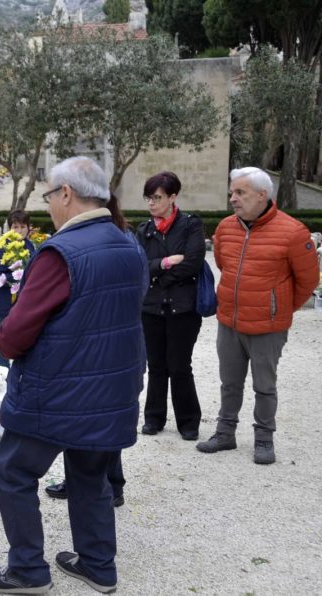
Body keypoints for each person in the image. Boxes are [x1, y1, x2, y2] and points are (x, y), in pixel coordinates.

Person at [0, 157, 147, 595]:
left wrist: (6, 345)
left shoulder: (60, 253)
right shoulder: (127, 243)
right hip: (112, 386)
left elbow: (16, 332)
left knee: (12, 470)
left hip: (58, 391)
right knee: (90, 474)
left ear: (67, 194)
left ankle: (27, 571)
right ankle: (98, 565)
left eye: (49, 196)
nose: (49, 205)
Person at [197, 167, 318, 465]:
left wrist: (278, 308)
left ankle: (264, 438)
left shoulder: (293, 232)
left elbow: (308, 281)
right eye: (232, 193)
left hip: (268, 326)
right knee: (229, 383)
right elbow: (225, 265)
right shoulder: (226, 227)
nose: (233, 199)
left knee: (264, 386)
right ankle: (225, 433)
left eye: (240, 192)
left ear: (262, 195)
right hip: (230, 321)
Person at [43, 192, 135, 507]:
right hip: (115, 344)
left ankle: (108, 486)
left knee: (97, 424)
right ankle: (98, 485)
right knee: (97, 424)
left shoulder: (118, 241)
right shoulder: (121, 241)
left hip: (104, 343)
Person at [135, 171, 206, 441]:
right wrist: (165, 263)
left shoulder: (190, 225)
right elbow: (139, 265)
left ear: (172, 197)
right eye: (148, 198)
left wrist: (161, 277)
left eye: (157, 197)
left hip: (183, 308)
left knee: (179, 365)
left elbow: (193, 262)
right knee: (156, 365)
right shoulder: (144, 230)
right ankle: (154, 418)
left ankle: (188, 422)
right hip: (151, 308)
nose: (151, 203)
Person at [0, 210, 35, 367]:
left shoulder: (29, 246)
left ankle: (20, 370)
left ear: (28, 228)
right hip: (3, 301)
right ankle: (4, 372)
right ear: (10, 228)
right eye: (15, 227)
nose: (19, 231)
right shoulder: (0, 247)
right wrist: (17, 276)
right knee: (4, 340)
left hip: (24, 303)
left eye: (23, 226)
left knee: (23, 339)